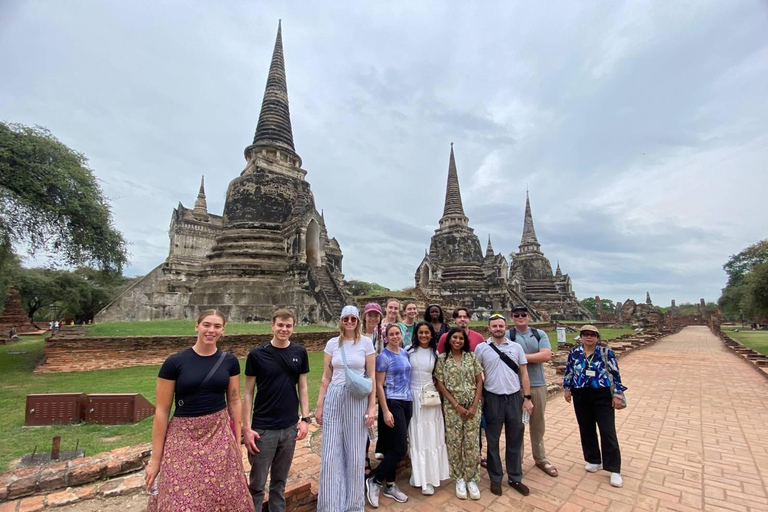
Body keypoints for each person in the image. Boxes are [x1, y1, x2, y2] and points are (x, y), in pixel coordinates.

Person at [145, 310, 253, 512]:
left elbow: (235, 401)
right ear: (197, 326)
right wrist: (156, 459)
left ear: (223, 330)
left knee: (224, 495)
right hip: (183, 435)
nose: (211, 330)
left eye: (217, 326)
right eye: (207, 325)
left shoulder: (229, 362)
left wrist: (237, 443)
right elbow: (162, 410)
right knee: (180, 500)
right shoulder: (175, 363)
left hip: (218, 433)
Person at [243, 309, 310, 511]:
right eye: (280, 325)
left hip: (289, 426)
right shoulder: (257, 355)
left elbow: (303, 386)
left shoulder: (299, 352)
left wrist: (305, 418)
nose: (284, 329)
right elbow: (247, 392)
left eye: (288, 325)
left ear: (293, 328)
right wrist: (246, 427)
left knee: (279, 482)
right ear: (272, 325)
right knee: (257, 484)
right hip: (263, 428)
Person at [316, 306, 377, 511]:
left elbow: (372, 378)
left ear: (358, 321)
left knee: (355, 453)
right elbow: (326, 377)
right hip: (334, 396)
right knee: (331, 452)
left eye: (353, 318)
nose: (349, 322)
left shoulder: (366, 343)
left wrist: (372, 407)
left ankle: (353, 505)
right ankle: (331, 505)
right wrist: (319, 406)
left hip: (356, 399)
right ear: (341, 321)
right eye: (345, 319)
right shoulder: (332, 344)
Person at [475, 314, 534, 496]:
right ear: (489, 328)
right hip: (493, 397)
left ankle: (515, 477)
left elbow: (523, 373)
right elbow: (478, 374)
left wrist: (528, 397)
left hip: (514, 397)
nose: (498, 329)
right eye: (495, 326)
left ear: (506, 327)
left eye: (501, 326)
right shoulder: (481, 348)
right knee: (492, 440)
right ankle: (495, 477)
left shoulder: (516, 347)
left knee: (515, 438)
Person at [563, 325, 627, 488]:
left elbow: (615, 375)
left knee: (607, 431)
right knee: (586, 428)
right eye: (585, 334)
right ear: (581, 337)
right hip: (581, 393)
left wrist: (617, 395)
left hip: (601, 394)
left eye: (592, 335)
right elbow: (569, 371)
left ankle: (614, 469)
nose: (589, 337)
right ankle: (593, 459)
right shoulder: (575, 352)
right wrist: (567, 388)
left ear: (597, 337)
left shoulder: (605, 353)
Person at [507, 304, 558, 478]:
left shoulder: (539, 334)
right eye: (516, 315)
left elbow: (546, 355)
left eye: (523, 314)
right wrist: (531, 357)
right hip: (515, 386)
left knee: (538, 423)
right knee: (516, 425)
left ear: (528, 316)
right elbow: (506, 355)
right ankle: (517, 460)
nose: (520, 317)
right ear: (511, 317)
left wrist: (519, 357)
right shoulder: (509, 334)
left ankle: (540, 457)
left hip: (538, 384)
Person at [366, 324, 413, 507]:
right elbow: (379, 386)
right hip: (393, 401)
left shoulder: (404, 353)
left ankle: (391, 485)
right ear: (386, 337)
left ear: (401, 335)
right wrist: (385, 411)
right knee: (401, 447)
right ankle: (375, 481)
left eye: (397, 333)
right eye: (391, 334)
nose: (395, 336)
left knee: (395, 446)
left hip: (407, 401)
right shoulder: (383, 357)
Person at [434, 328, 484, 500]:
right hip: (452, 407)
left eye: (460, 338)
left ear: (465, 340)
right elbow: (440, 383)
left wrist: (475, 404)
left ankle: (472, 478)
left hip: (473, 406)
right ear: (449, 340)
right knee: (454, 442)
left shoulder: (471, 357)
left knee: (471, 443)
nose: (457, 340)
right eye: (454, 337)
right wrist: (456, 405)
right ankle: (459, 478)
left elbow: (479, 380)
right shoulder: (442, 359)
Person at [406, 322, 450, 495]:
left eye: (427, 333)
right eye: (420, 332)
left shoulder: (435, 353)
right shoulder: (408, 351)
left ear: (432, 335)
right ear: (416, 334)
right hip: (413, 395)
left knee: (432, 436)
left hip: (430, 397)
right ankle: (418, 474)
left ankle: (432, 476)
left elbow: (438, 378)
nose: (423, 335)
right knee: (417, 437)